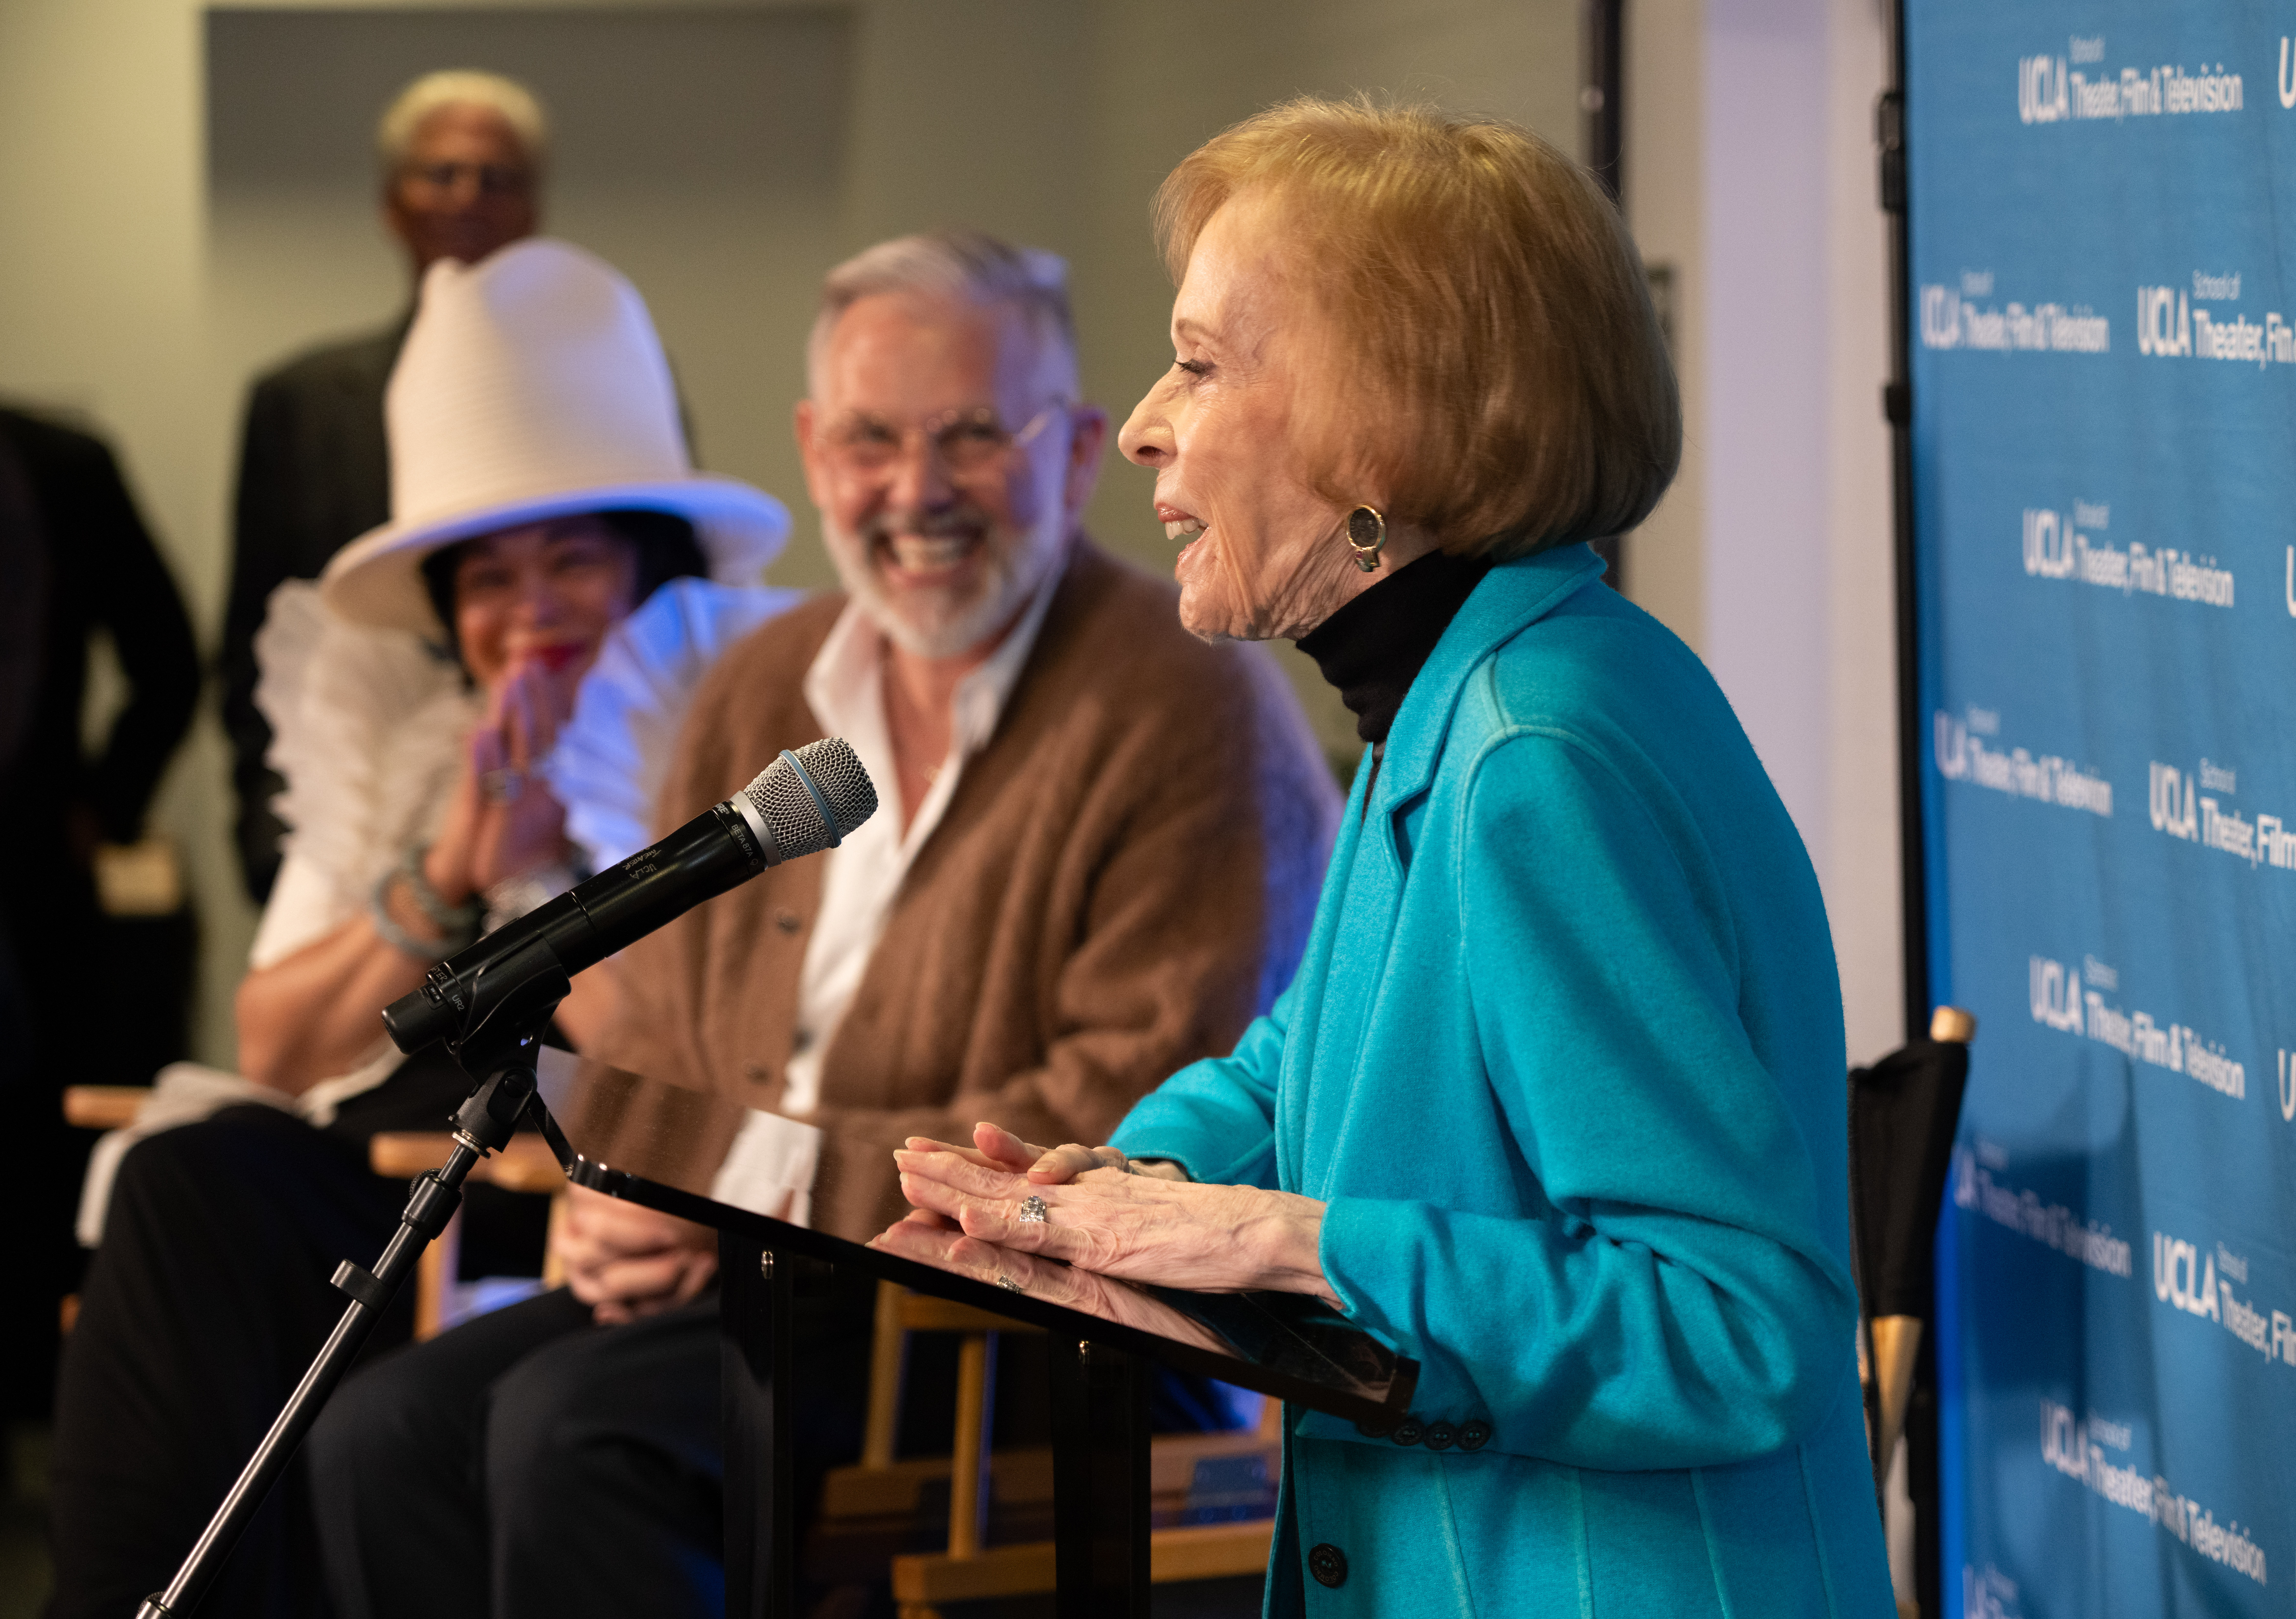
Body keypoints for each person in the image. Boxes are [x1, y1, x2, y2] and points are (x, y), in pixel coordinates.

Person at [882, 100, 1899, 1617]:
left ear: (1389, 420)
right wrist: (1108, 1182)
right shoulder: (1451, 696)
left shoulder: (1535, 760)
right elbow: (1314, 1069)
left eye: (1203, 364)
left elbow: (1736, 1327)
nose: (1147, 422)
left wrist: (1285, 1242)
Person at [308, 230, 1341, 1619]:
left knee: (571, 1437)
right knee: (381, 1432)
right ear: (810, 449)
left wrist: (750, 1209)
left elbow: (1132, 1118)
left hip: (1013, 1325)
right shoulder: (758, 688)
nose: (915, 492)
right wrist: (618, 1200)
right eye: (871, 440)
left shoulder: (1188, 702)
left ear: (1081, 448)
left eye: (971, 435)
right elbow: (664, 1042)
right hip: (748, 1293)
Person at [44, 238, 793, 1619]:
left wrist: (584, 829)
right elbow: (273, 1042)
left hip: (569, 1192)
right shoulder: (414, 741)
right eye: (489, 580)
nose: (530, 612)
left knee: (222, 1229)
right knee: (186, 1180)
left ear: (652, 567)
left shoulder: (732, 735)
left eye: (574, 561)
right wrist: (455, 856)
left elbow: (702, 1066)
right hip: (394, 1164)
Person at [222, 69, 547, 903]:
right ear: (392, 203)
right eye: (442, 172)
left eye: (498, 178)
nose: (469, 196)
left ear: (533, 211)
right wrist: (269, 829)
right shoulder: (300, 402)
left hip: (557, 820)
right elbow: (249, 630)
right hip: (344, 821)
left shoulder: (597, 396)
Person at [0, 407, 199, 1421]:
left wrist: (99, 811)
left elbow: (167, 662)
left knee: (31, 1172)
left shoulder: (60, 466)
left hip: (27, 893)